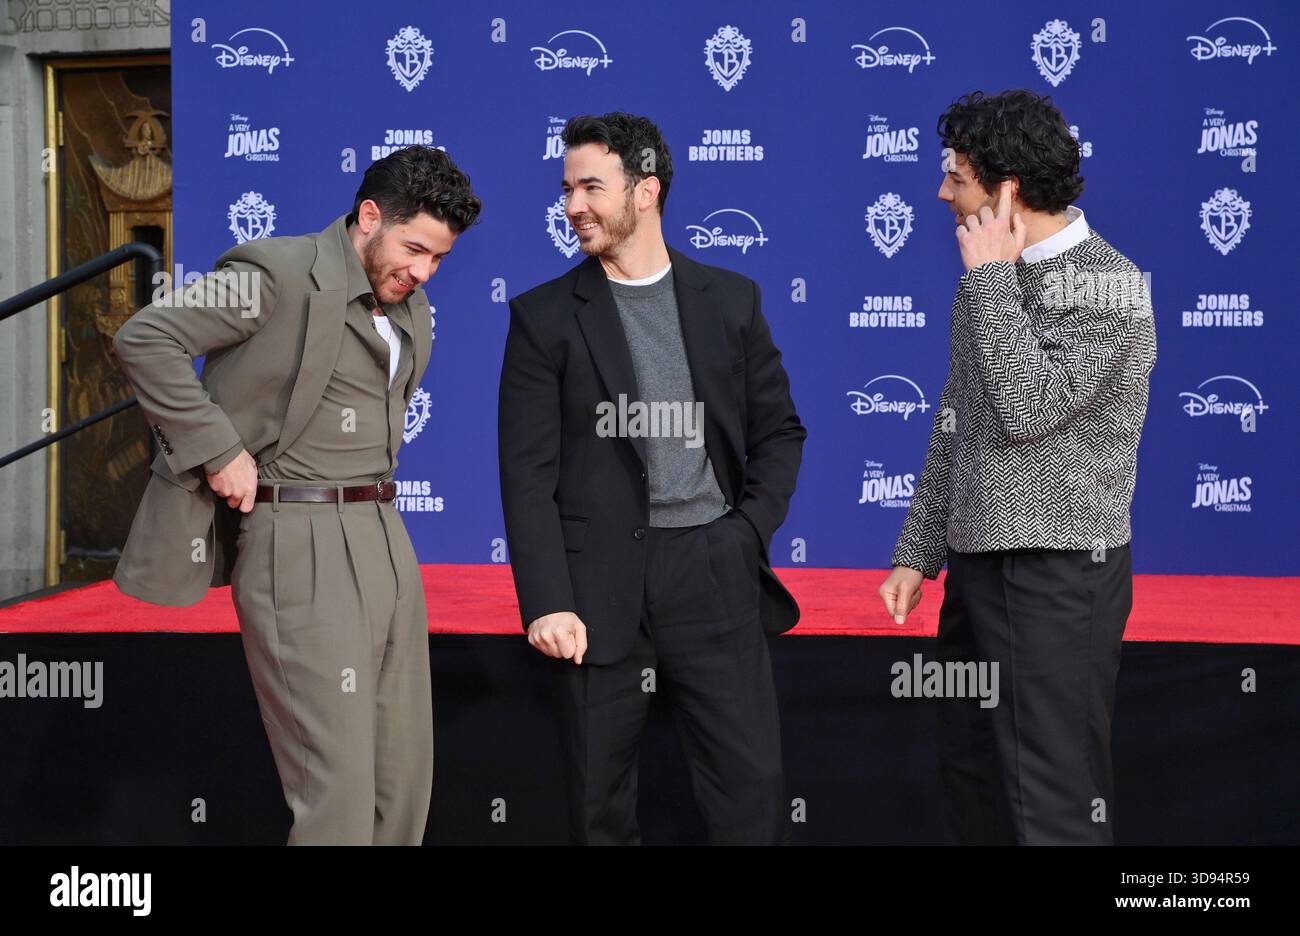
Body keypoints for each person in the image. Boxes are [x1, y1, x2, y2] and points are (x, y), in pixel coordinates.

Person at [112, 146, 481, 844]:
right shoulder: (276, 272)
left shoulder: (412, 302)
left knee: (401, 785)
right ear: (369, 217)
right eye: (414, 248)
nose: (425, 271)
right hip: (297, 541)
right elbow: (146, 336)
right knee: (335, 792)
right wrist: (217, 450)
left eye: (439, 258)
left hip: (385, 537)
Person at [498, 112, 805, 844]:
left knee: (750, 796)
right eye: (567, 188)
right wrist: (546, 600)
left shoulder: (731, 300)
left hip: (711, 569)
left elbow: (780, 432)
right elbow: (526, 473)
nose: (573, 205)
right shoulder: (544, 317)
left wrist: (745, 533)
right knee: (596, 805)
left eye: (591, 187)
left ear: (646, 192)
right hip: (596, 586)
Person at [879, 89, 1156, 844]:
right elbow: (958, 419)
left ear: (1005, 189)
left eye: (956, 176)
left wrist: (993, 281)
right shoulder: (987, 283)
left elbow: (1028, 410)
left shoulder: (1110, 286)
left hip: (1057, 576)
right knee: (974, 781)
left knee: (1051, 799)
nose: (941, 192)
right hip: (977, 572)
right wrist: (918, 550)